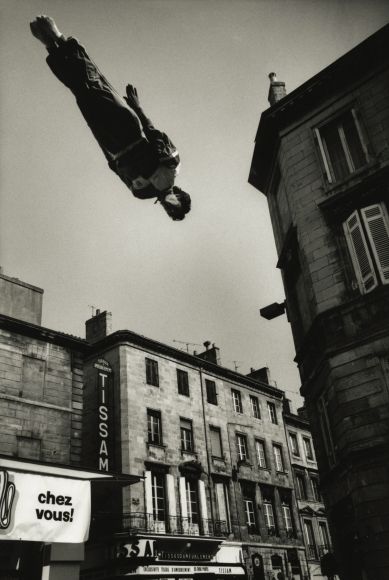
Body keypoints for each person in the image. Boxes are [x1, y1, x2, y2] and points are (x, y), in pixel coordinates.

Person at [30, 15, 191, 221]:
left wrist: (98, 135)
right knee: (94, 84)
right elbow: (153, 132)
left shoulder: (141, 193)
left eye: (170, 212)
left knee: (80, 92)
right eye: (175, 207)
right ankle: (59, 38)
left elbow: (115, 167)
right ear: (179, 196)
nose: (169, 208)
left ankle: (50, 46)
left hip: (109, 141)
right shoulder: (172, 168)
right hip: (127, 129)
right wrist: (137, 107)